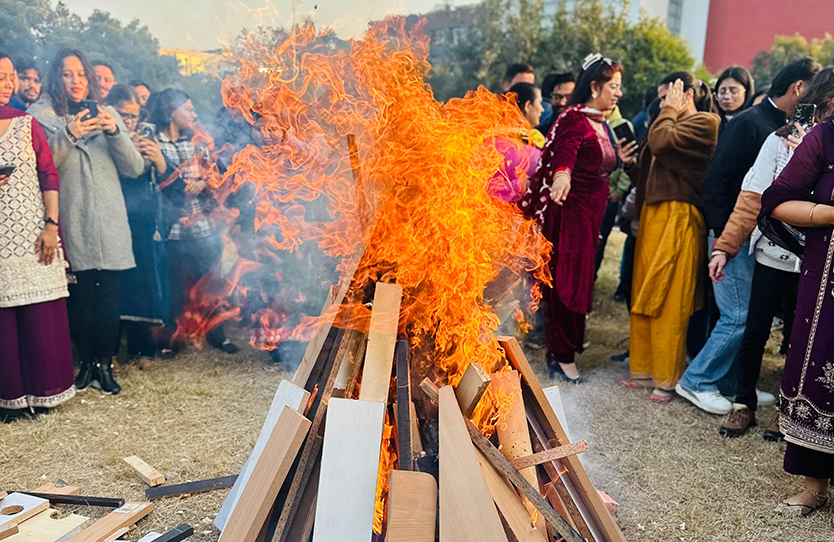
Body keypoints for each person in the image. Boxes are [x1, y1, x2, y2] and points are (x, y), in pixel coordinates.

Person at [676, 58, 822, 414]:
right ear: (800, 88)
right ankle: (697, 381)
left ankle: (728, 383)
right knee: (738, 315)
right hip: (735, 236)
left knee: (750, 317)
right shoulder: (752, 123)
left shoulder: (785, 127)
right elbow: (721, 184)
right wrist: (724, 242)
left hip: (752, 238)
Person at [715, 69, 834, 438]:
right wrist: (724, 247)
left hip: (814, 261)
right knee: (756, 330)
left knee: (800, 337)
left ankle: (786, 409)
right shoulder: (778, 142)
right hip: (774, 253)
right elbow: (752, 197)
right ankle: (742, 403)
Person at [29, 48, 145, 396]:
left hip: (108, 219)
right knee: (79, 299)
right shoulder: (40, 115)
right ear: (57, 77)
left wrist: (115, 133)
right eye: (68, 74)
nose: (76, 81)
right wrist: (69, 133)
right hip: (70, 217)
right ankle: (86, 365)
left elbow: (134, 168)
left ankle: (105, 365)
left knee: (108, 298)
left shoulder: (108, 113)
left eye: (81, 74)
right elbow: (42, 167)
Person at [520, 53, 621, 384]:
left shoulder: (600, 120)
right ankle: (559, 355)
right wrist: (562, 176)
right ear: (594, 87)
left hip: (590, 220)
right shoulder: (574, 119)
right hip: (570, 217)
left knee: (581, 282)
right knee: (564, 284)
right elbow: (565, 156)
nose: (618, 93)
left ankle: (566, 350)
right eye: (614, 86)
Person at [618, 73, 719, 403]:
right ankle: (644, 370)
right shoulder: (668, 123)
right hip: (652, 215)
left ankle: (667, 378)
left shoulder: (706, 122)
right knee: (643, 292)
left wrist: (670, 111)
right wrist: (632, 165)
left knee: (669, 297)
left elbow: (661, 143)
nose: (662, 104)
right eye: (662, 98)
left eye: (667, 96)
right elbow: (652, 175)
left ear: (687, 94)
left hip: (680, 216)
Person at [758, 113, 834, 517]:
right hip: (828, 283)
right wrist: (831, 214)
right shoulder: (825, 137)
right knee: (823, 373)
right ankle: (814, 487)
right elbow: (776, 201)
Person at [0, 53, 74, 423]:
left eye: (9, 77)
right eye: (0, 77)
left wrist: (50, 226)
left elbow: (49, 176)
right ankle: (10, 398)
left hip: (31, 231)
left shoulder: (27, 124)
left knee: (39, 313)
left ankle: (45, 392)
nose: (7, 84)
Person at [149, 88, 239, 354]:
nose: (193, 113)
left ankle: (217, 333)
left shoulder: (198, 142)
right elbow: (152, 183)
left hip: (203, 227)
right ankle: (171, 339)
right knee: (173, 288)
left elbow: (217, 178)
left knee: (211, 282)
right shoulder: (154, 142)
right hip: (171, 229)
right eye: (187, 109)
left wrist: (204, 183)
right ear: (170, 111)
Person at [107, 85, 174, 367]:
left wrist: (158, 160)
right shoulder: (105, 139)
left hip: (145, 225)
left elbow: (174, 187)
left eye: (134, 116)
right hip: (112, 221)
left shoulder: (150, 139)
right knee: (113, 289)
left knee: (144, 286)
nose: (129, 122)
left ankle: (142, 349)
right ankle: (108, 349)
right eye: (123, 116)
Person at [714, 66, 754, 132]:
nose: (726, 96)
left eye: (734, 91)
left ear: (746, 92)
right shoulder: (710, 122)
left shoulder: (753, 123)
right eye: (722, 92)